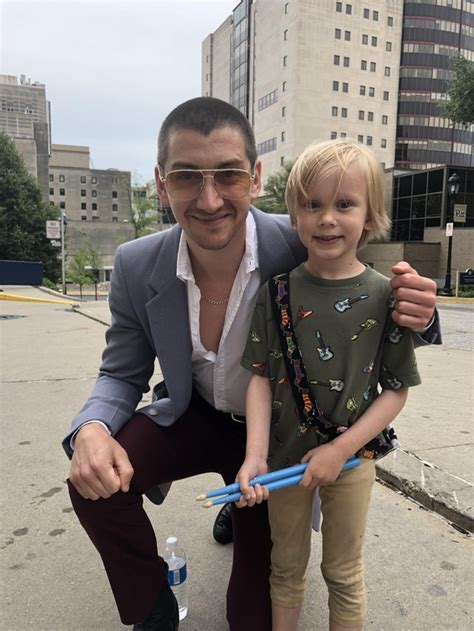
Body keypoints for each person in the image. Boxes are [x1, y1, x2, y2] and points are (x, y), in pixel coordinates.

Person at [63, 97, 439, 631]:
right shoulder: (135, 262)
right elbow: (122, 372)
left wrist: (423, 314)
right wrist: (93, 428)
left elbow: (372, 300)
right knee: (93, 481)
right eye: (187, 176)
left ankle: (239, 510)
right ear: (162, 183)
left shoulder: (305, 237)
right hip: (190, 415)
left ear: (256, 176)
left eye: (229, 175)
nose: (210, 198)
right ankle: (150, 601)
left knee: (254, 615)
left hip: (275, 436)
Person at [236, 138, 423, 631]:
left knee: (342, 573)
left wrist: (339, 451)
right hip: (282, 459)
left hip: (354, 460)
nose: (326, 219)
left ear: (370, 214)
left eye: (344, 204)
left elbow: (396, 388)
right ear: (294, 215)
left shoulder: (387, 298)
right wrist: (255, 455)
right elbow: (258, 376)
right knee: (285, 567)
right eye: (312, 205)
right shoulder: (275, 292)